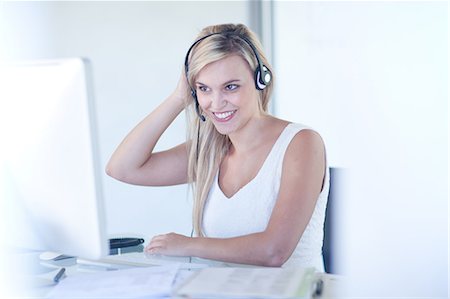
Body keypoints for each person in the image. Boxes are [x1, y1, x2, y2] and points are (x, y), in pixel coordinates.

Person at [106, 23, 329, 270]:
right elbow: (122, 168)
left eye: (230, 87)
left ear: (260, 79)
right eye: (204, 89)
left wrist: (188, 245)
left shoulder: (302, 143)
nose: (216, 103)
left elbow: (273, 251)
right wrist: (178, 98)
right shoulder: (210, 151)